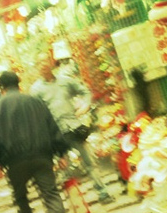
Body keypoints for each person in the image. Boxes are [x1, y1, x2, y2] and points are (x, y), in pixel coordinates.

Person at [0, 71, 73, 213]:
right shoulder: (35, 102)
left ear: (1, 88)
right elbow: (52, 127)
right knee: (51, 195)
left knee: (20, 197)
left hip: (15, 162)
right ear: (19, 84)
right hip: (42, 156)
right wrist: (61, 153)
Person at [30, 54, 114, 204]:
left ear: (51, 62)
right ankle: (77, 204)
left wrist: (85, 105)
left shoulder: (65, 81)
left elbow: (85, 92)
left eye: (45, 61)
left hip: (74, 128)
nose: (42, 64)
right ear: (36, 67)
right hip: (55, 134)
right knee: (65, 170)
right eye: (39, 62)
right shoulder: (36, 90)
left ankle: (103, 193)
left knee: (89, 163)